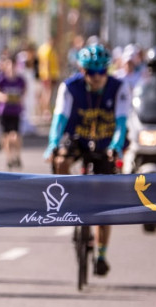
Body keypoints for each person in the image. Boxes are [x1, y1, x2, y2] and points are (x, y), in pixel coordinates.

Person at [45, 43, 129, 276]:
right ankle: (68, 203)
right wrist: (53, 143)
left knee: (105, 206)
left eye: (102, 71)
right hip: (77, 138)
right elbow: (59, 118)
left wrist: (115, 145)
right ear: (83, 71)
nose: (97, 77)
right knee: (61, 160)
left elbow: (122, 123)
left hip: (106, 143)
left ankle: (101, 254)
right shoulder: (70, 87)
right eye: (92, 72)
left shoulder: (119, 87)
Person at [0, 54, 27, 170]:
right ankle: (9, 158)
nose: (11, 68)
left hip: (16, 111)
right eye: (8, 65)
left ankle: (17, 155)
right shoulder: (1, 79)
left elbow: (24, 92)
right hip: (4, 111)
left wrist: (19, 98)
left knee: (15, 135)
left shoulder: (20, 80)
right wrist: (3, 97)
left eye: (13, 65)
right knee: (6, 136)